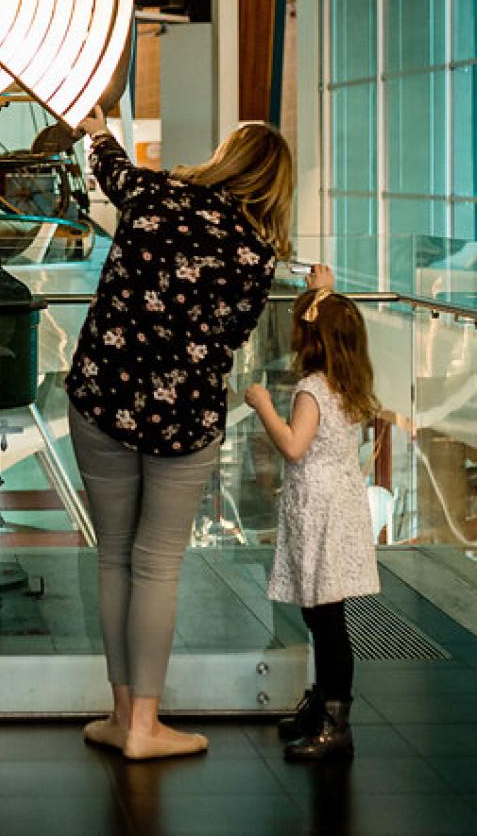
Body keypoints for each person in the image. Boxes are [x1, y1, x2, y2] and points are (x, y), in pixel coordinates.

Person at [66, 106, 294, 761]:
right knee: (157, 565)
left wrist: (100, 123)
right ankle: (144, 725)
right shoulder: (256, 255)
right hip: (184, 419)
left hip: (102, 394)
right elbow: (234, 338)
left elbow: (108, 168)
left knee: (113, 557)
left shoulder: (158, 193)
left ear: (227, 158)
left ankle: (118, 716)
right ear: (272, 186)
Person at [245, 275, 380, 762]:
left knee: (324, 619)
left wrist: (262, 405)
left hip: (318, 506)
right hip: (338, 503)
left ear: (312, 340)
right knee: (323, 611)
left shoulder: (311, 390)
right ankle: (323, 705)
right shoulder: (348, 381)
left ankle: (333, 722)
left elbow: (293, 447)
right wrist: (325, 287)